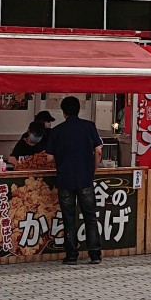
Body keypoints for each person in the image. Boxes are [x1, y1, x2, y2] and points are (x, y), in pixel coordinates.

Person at [46, 96, 103, 264]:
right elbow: (98, 151)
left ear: (63, 112)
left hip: (65, 180)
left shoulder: (57, 131)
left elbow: (49, 159)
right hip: (85, 179)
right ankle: (95, 254)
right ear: (79, 109)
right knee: (90, 217)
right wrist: (93, 169)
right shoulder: (89, 127)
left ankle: (71, 255)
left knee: (69, 217)